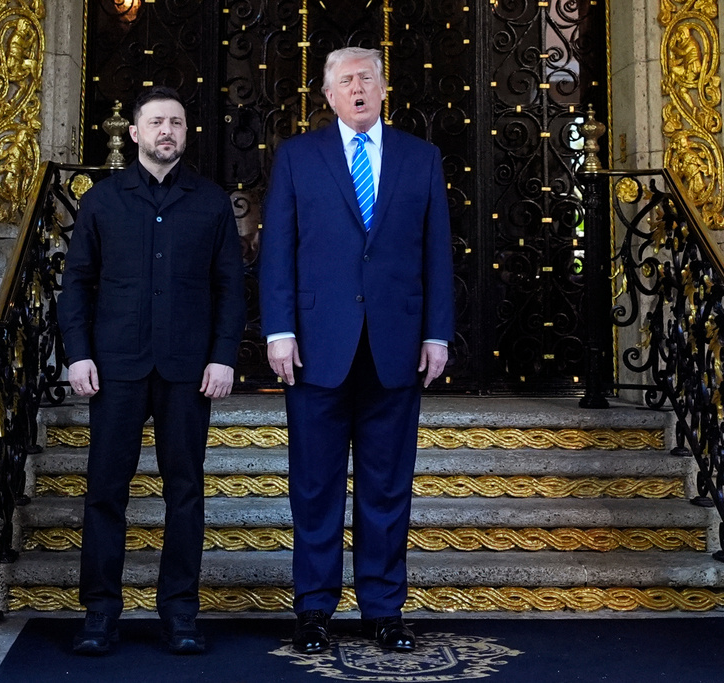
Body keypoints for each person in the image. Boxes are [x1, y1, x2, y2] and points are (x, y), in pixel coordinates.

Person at [259, 47, 454, 654]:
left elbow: (436, 254)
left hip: (395, 348)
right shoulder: (297, 157)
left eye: (366, 78)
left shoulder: (421, 159)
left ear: (383, 87)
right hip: (317, 348)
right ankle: (314, 608)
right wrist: (278, 331)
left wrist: (436, 333)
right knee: (315, 487)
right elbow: (278, 252)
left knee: (387, 486)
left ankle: (383, 609)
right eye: (345, 81)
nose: (358, 89)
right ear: (328, 95)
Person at [58, 86, 246, 656]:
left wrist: (223, 355)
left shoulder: (211, 202)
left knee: (185, 491)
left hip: (189, 369)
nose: (168, 131)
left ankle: (180, 613)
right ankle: (100, 614)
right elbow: (77, 285)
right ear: (134, 133)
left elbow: (230, 288)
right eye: (157, 122)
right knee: (105, 492)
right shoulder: (102, 201)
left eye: (178, 123)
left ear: (186, 134)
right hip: (114, 366)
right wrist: (78, 353)